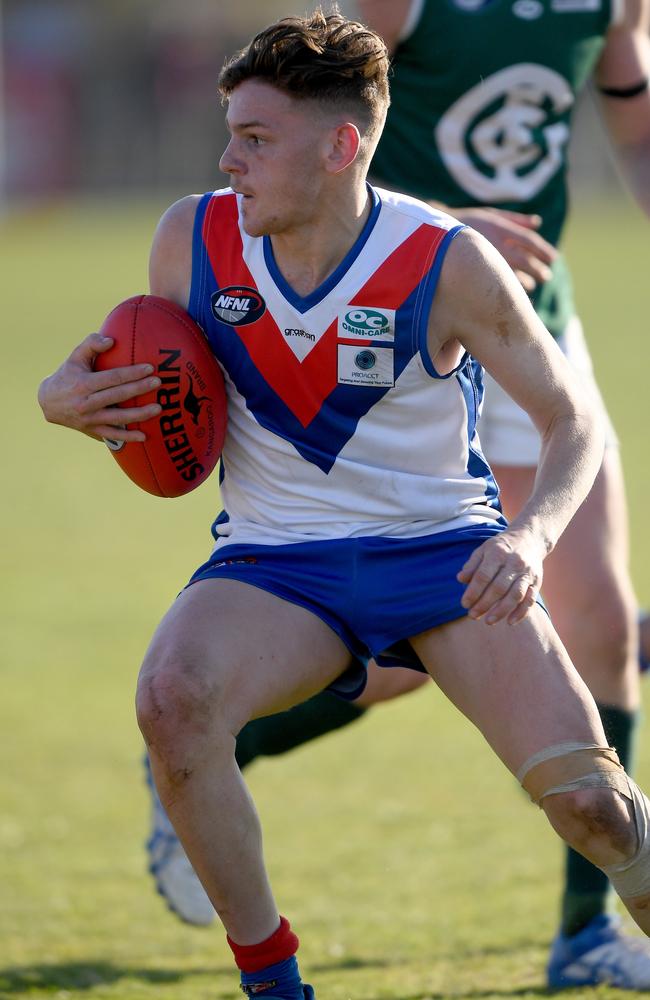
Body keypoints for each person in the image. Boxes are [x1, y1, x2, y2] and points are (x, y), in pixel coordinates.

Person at [39, 11, 650, 1000]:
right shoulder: (189, 241)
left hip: (444, 559)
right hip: (277, 565)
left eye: (254, 138)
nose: (226, 160)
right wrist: (66, 401)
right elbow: (157, 384)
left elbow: (569, 418)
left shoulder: (443, 259)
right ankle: (274, 986)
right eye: (230, 132)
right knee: (171, 700)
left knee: (593, 806)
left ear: (341, 146)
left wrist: (530, 537)